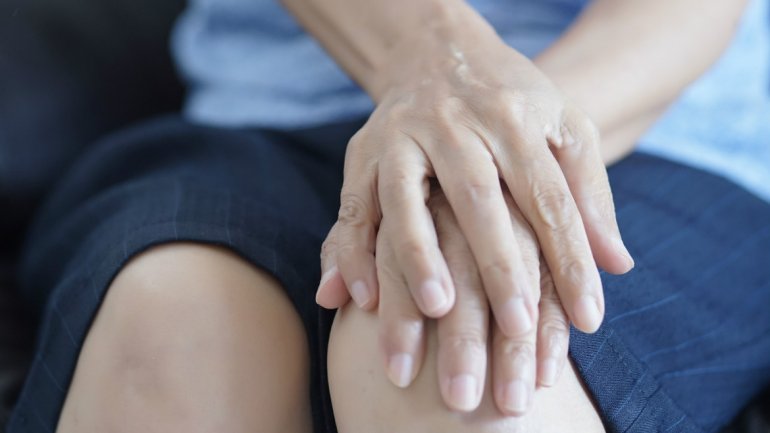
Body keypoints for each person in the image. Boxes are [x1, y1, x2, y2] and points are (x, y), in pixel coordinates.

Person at [6, 0, 770, 432]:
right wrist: (436, 71)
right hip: (269, 108)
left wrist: (500, 150)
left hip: (645, 121)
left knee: (468, 375)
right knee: (174, 329)